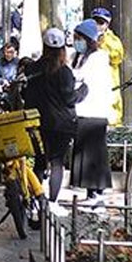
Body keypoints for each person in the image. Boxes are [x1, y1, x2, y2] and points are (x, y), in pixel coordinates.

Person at [23, 28, 78, 202]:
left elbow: (26, 95)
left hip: (37, 123)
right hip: (61, 125)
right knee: (57, 163)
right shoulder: (64, 72)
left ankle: (37, 201)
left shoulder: (32, 69)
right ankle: (52, 201)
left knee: (39, 162)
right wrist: (84, 91)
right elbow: (70, 98)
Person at [71, 19, 114, 203]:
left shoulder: (98, 58)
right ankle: (90, 191)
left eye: (78, 38)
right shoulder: (79, 57)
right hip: (82, 112)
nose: (75, 41)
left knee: (95, 153)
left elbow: (84, 79)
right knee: (84, 153)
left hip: (95, 112)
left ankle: (97, 192)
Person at [92, 8, 125, 126]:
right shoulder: (86, 37)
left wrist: (101, 46)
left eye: (101, 22)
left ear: (107, 24)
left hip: (109, 84)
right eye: (95, 21)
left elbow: (117, 57)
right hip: (91, 85)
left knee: (112, 114)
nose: (97, 25)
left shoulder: (112, 40)